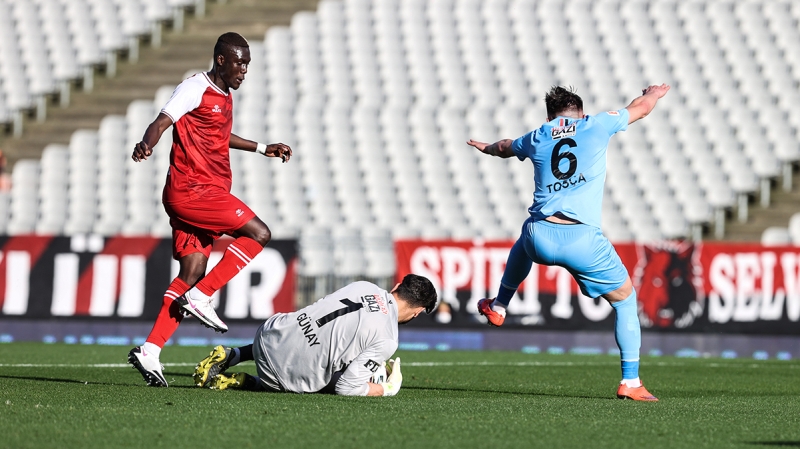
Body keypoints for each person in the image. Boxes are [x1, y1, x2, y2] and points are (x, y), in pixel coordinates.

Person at [467, 84, 670, 402]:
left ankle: (500, 305)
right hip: (582, 239)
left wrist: (487, 148)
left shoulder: (537, 136)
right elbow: (641, 108)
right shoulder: (597, 124)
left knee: (526, 234)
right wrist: (654, 94)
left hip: (541, 237)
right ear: (582, 113)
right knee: (625, 301)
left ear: (550, 116)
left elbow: (506, 147)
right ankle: (630, 382)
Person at [127, 32, 293, 387]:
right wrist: (146, 144)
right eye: (239, 63)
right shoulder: (194, 88)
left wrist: (263, 147)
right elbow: (162, 121)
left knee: (192, 270)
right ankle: (203, 296)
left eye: (247, 63)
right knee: (259, 233)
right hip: (193, 190)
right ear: (221, 60)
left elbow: (219, 135)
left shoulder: (224, 96)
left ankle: (150, 351)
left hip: (202, 192)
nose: (244, 70)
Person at [192, 274, 437, 396]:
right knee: (325, 376)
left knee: (304, 331)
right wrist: (385, 388)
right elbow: (346, 388)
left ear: (395, 288)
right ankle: (246, 382)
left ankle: (234, 354)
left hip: (268, 334)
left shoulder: (364, 286)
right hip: (279, 377)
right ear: (416, 313)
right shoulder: (388, 338)